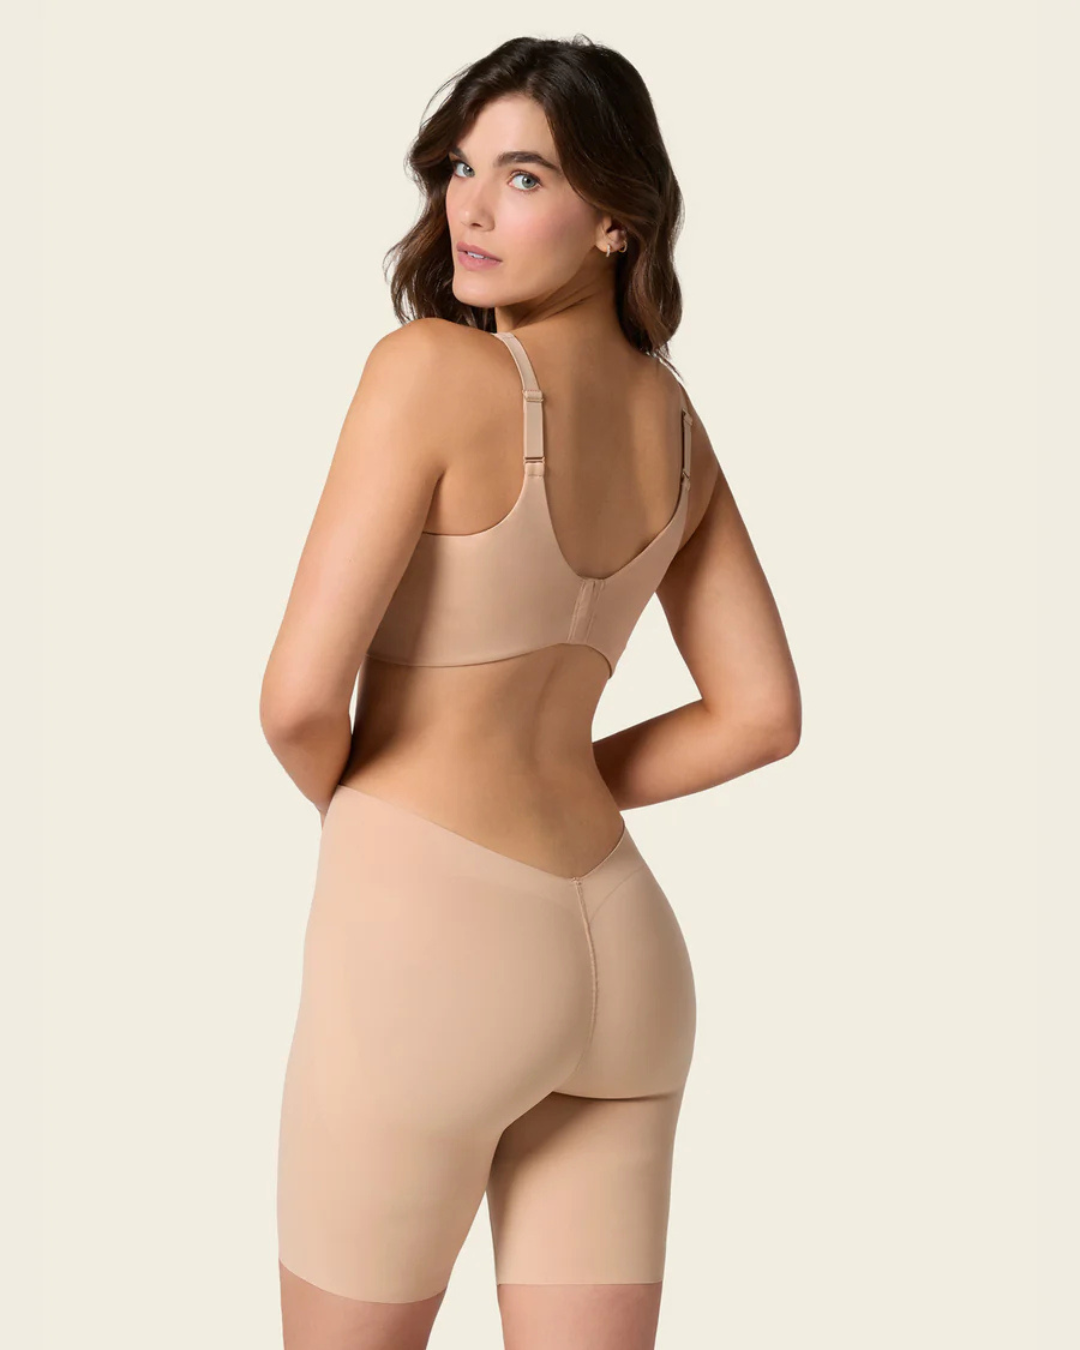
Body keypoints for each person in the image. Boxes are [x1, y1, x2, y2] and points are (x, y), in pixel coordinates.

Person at [260, 34, 801, 1350]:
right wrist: (562, 776)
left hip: (429, 942)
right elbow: (760, 714)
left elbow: (295, 701)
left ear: (618, 219)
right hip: (624, 951)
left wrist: (387, 819)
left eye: (525, 176)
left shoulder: (428, 370)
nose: (472, 207)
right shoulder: (679, 429)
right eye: (461, 168)